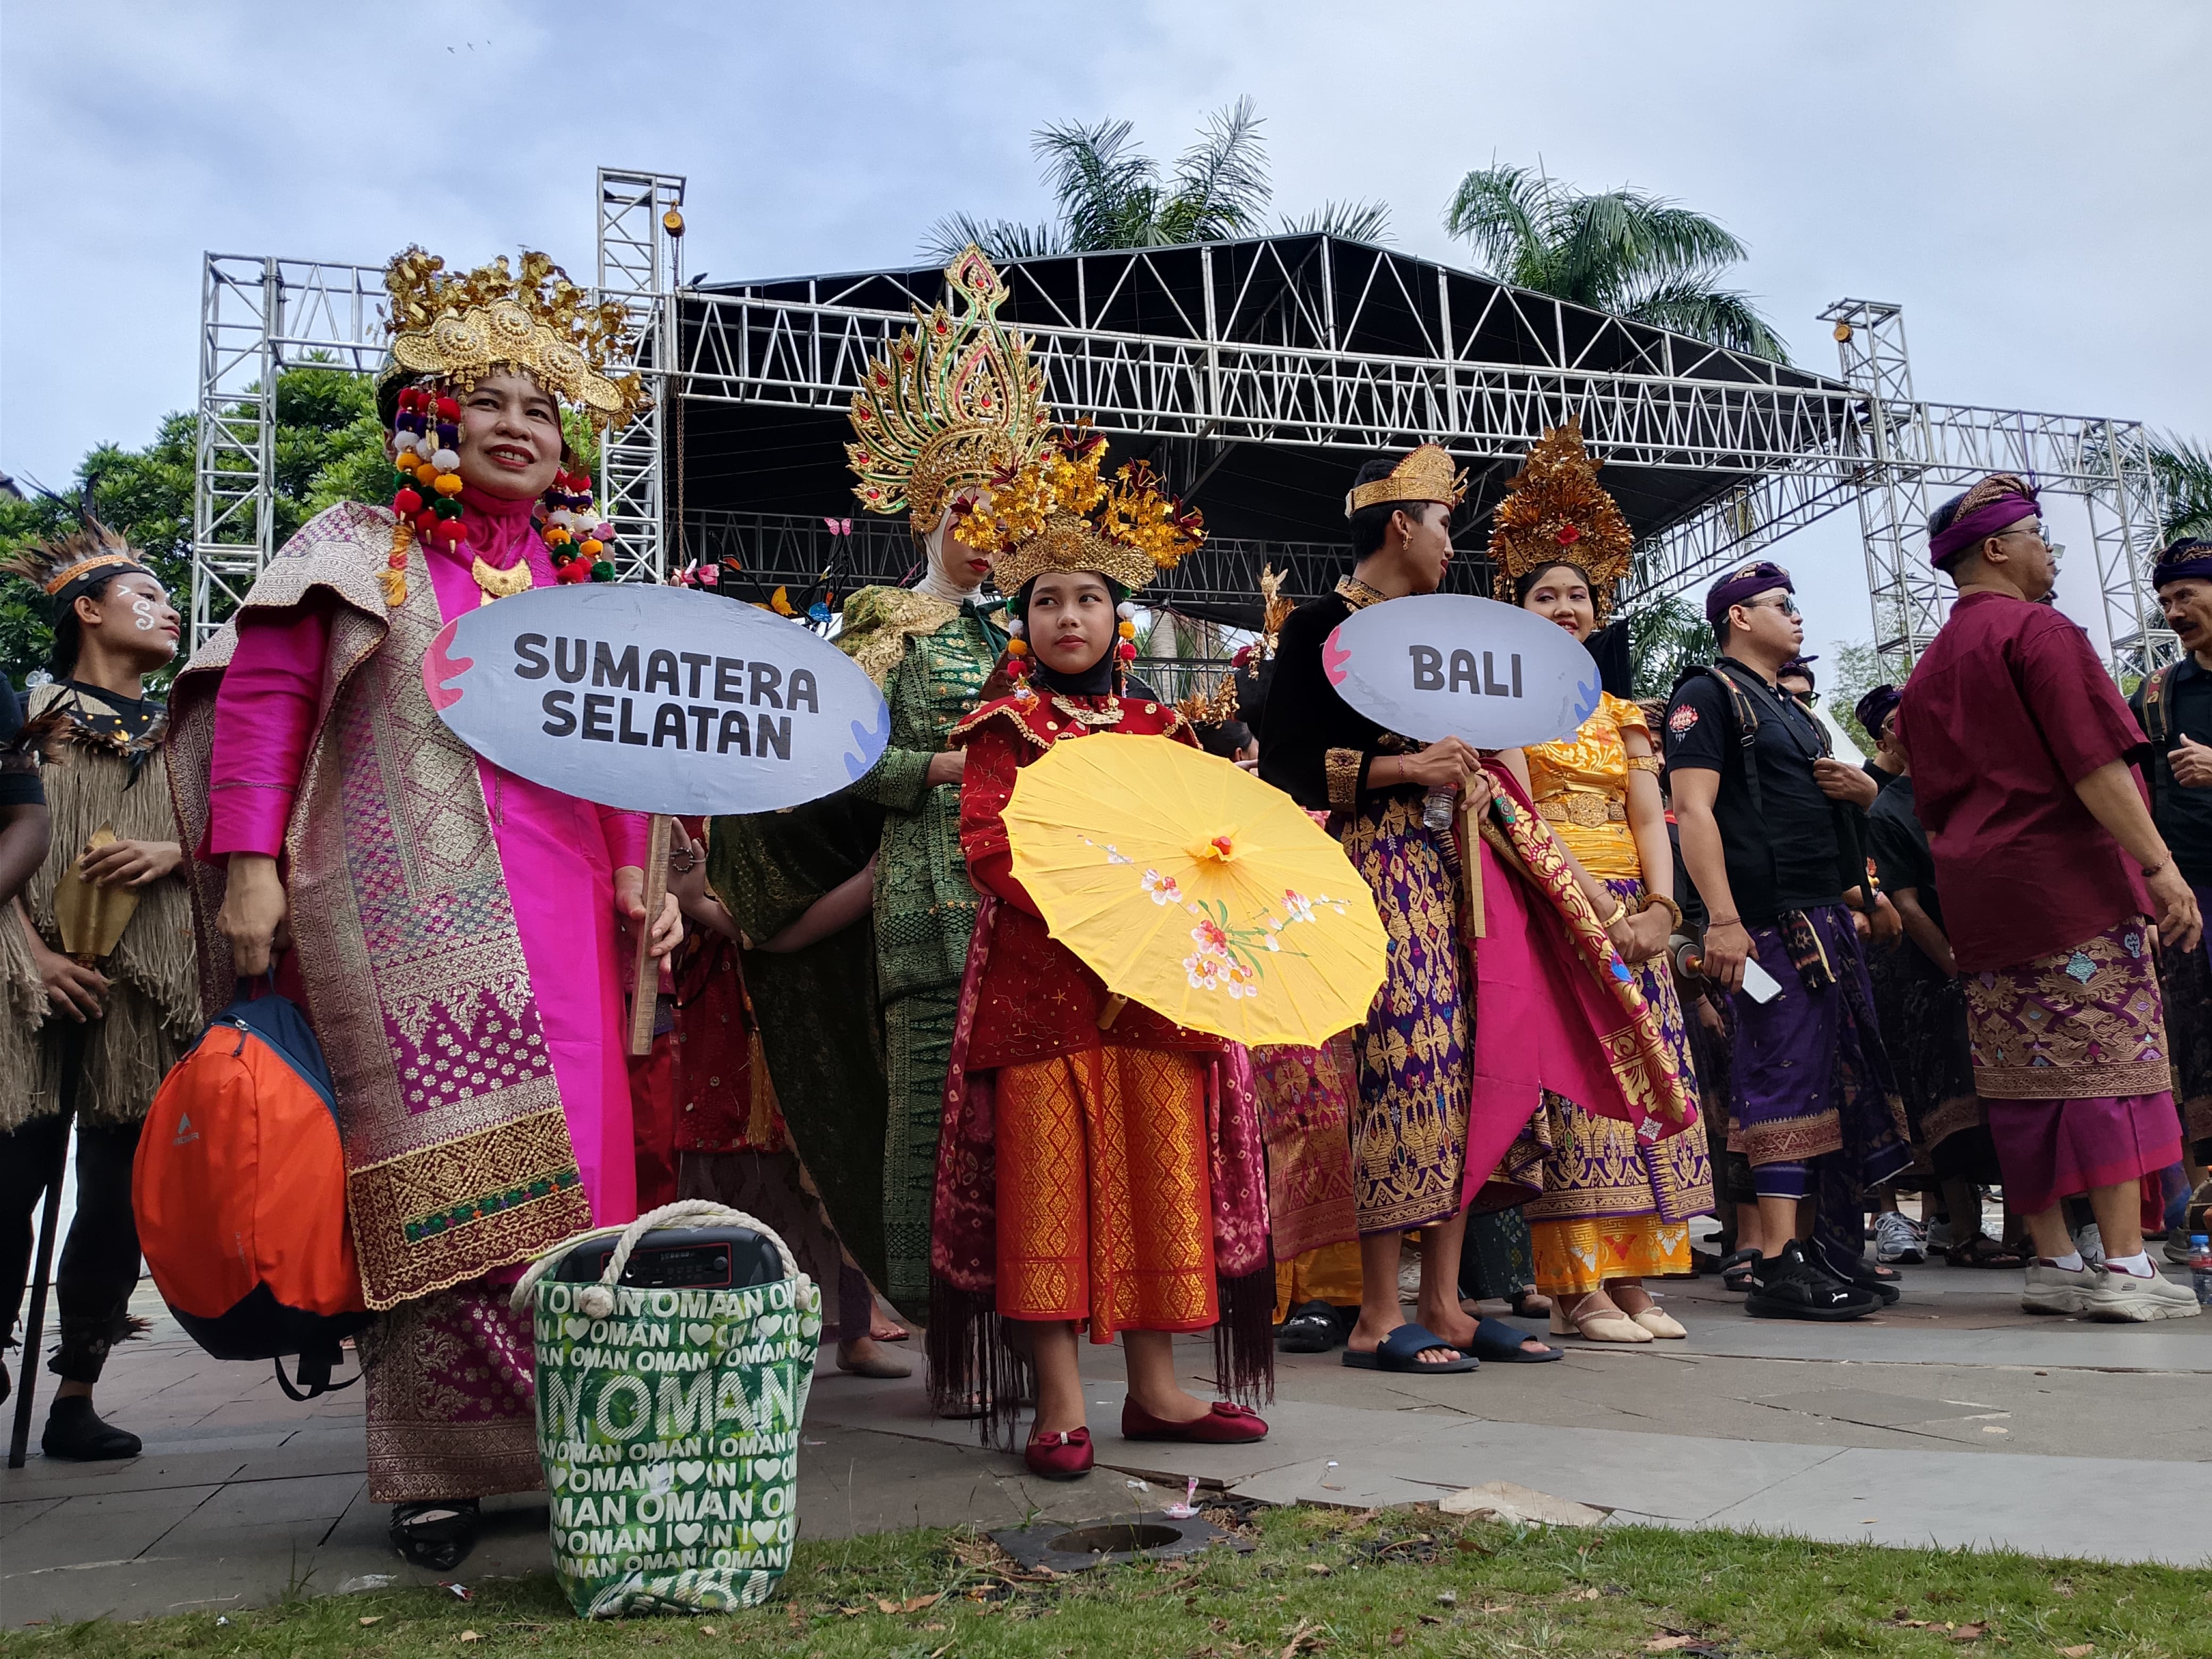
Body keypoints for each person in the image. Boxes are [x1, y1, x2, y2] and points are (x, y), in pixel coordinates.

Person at [169, 247, 683, 1567]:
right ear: (430, 415)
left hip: (571, 911)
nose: (517, 424)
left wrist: (649, 870)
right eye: (488, 398)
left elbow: (626, 751)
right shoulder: (357, 547)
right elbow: (267, 700)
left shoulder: (581, 586)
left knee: (583, 1172)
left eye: (541, 406)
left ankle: (588, 1442)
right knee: (448, 1181)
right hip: (402, 909)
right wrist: (246, 862)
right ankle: (440, 1464)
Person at [931, 426, 1272, 1477]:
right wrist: (1106, 901)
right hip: (1041, 990)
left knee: (1161, 1180)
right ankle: (1060, 1403)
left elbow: (1201, 846)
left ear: (1113, 614)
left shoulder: (1158, 725)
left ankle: (1161, 1393)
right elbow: (991, 846)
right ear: (1022, 619)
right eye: (1045, 601)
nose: (1066, 616)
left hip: (1152, 993)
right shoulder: (1004, 725)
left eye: (1084, 597)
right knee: (1052, 1188)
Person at [1899, 473, 2198, 1321]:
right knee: (2109, 1068)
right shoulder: (2040, 631)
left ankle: (2056, 1263)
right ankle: (2128, 1268)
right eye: (2037, 535)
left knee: (2023, 1076)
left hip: (1986, 901)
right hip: (2071, 887)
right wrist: (2158, 865)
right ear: (1997, 548)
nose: (2047, 551)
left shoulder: (1929, 670)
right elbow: (2094, 763)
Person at [833, 246, 1050, 1320]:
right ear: (926, 509)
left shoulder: (1043, 625)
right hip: (927, 904)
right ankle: (937, 1327)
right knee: (927, 1120)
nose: (982, 530)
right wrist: (953, 767)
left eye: (999, 509)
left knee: (1025, 1125)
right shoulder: (882, 622)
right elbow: (837, 763)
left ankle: (1031, 1312)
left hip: (1036, 912)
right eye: (963, 506)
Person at [1260, 446, 1496, 1372]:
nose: (1452, 546)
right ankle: (1371, 1311)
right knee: (1398, 1063)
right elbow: (1285, 766)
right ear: (1402, 524)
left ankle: (1442, 1301)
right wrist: (1407, 768)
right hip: (1368, 865)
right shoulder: (1321, 625)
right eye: (1445, 526)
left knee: (1461, 1067)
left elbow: (1469, 750)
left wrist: (1472, 781)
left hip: (1453, 867)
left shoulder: (1443, 632)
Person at [1492, 425, 1714, 1344]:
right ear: (1517, 610)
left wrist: (1662, 908)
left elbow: (1647, 809)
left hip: (1635, 907)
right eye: (1544, 595)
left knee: (1651, 1083)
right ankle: (1575, 1283)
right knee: (1585, 1089)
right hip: (1562, 904)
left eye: (1577, 594)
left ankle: (1638, 1276)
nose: (1564, 606)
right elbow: (1522, 813)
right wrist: (1598, 904)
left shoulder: (1623, 711)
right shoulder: (1505, 705)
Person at [1664, 560, 1911, 1319]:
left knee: (1839, 1079)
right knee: (1781, 1077)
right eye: (1781, 604)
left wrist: (1866, 826)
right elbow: (1694, 813)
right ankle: (1773, 1261)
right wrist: (1724, 920)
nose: (1797, 616)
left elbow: (1820, 820)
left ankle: (1823, 1250)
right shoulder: (1707, 694)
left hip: (1825, 919)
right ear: (1739, 617)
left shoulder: (1792, 708)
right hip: (1767, 925)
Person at [1, 527, 195, 1457]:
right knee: (8, 1186)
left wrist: (176, 851)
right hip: (24, 994)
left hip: (142, 1007)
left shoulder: (184, 735)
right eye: (147, 593)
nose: (170, 609)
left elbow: (243, 844)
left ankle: (77, 1394)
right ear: (87, 609)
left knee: (119, 1205)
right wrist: (30, 953)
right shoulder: (26, 718)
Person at [1860, 685, 2021, 1268]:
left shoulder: (1971, 790)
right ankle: (1963, 1231)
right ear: (1890, 741)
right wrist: (1954, 963)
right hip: (1931, 971)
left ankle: (2022, 1232)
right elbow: (1903, 902)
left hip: (1999, 956)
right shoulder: (1887, 808)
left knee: (2011, 1093)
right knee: (1947, 1097)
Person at [2131, 538, 2212, 1203]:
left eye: (2186, 595)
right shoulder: (2156, 694)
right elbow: (2128, 798)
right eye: (2165, 601)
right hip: (2187, 898)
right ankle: (2199, 1207)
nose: (2174, 611)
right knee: (2186, 1047)